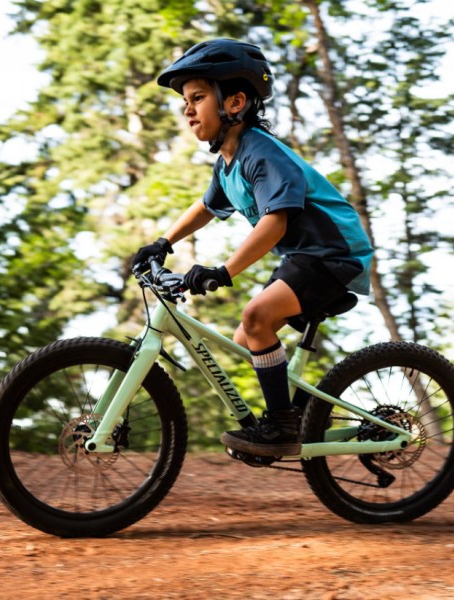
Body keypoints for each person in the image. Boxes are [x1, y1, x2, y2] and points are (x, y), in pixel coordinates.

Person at [132, 39, 373, 457]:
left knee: (256, 316)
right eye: (186, 101)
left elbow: (274, 223)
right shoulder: (229, 160)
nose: (187, 109)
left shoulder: (261, 153)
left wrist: (224, 271)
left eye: (198, 98)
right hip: (305, 257)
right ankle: (298, 413)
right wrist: (163, 242)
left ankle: (281, 429)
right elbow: (206, 207)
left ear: (236, 101)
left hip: (333, 253)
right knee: (247, 336)